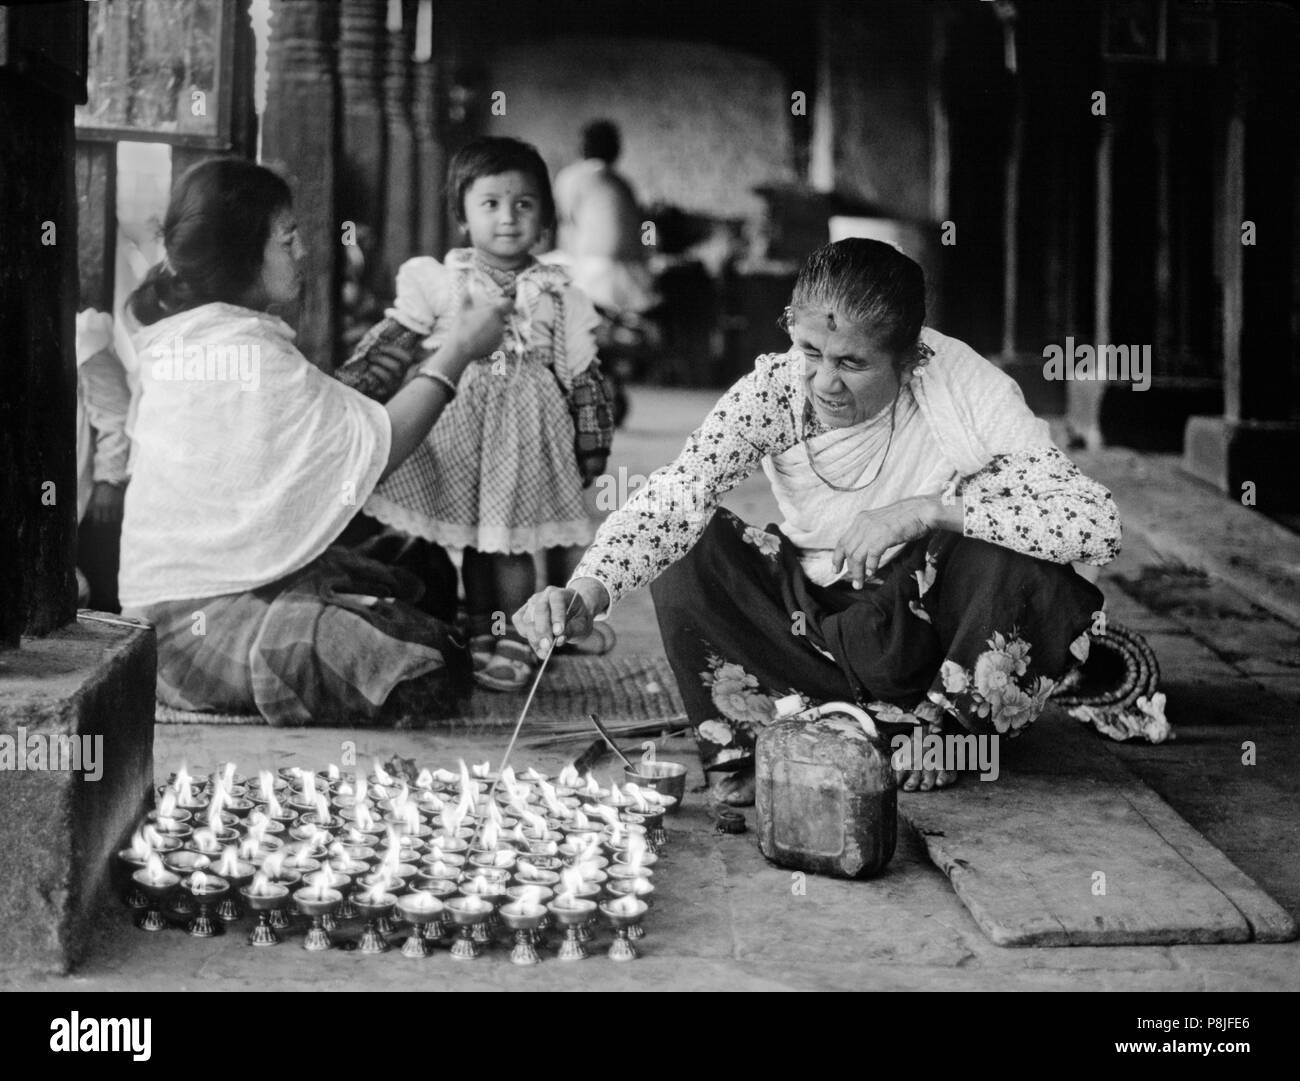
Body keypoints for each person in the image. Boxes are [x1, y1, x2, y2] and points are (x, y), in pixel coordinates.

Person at [514, 239, 1126, 804]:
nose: (824, 382)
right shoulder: (776, 391)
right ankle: (773, 737)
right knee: (694, 543)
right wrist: (587, 589)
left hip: (925, 628)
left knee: (1018, 556)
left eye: (853, 364)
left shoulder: (966, 386)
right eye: (811, 352)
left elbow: (1094, 523)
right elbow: (678, 493)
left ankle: (945, 729)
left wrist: (926, 511)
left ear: (911, 358)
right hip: (811, 623)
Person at [119, 158, 512, 726]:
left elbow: (325, 420)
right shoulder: (245, 352)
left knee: (419, 565)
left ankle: (336, 614)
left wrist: (393, 362)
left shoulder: (196, 335)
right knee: (429, 663)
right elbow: (382, 444)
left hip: (238, 581)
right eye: (288, 238)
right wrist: (457, 352)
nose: (303, 251)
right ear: (242, 251)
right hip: (188, 631)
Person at [333, 136, 614, 692]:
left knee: (510, 541)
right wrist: (348, 388)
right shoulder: (438, 281)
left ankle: (518, 633)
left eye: (524, 204)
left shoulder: (559, 294)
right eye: (490, 204)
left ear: (546, 220)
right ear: (461, 215)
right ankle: (483, 627)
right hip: (456, 427)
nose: (507, 218)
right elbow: (396, 340)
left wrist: (592, 447)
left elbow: (584, 375)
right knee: (475, 540)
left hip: (525, 433)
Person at [75, 308, 132, 612]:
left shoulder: (85, 337)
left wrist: (108, 480)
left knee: (97, 589)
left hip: (88, 490)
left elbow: (116, 415)